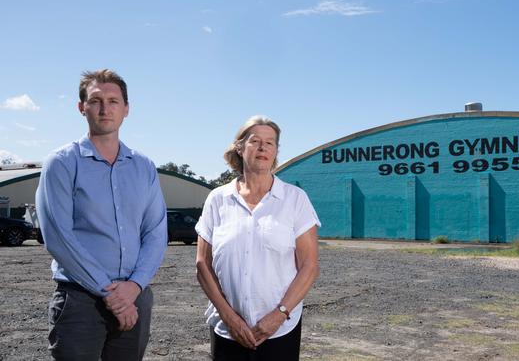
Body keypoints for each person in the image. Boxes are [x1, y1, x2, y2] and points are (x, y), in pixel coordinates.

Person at [36, 69, 167, 360]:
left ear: (126, 109)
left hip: (135, 296)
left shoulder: (143, 166)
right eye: (96, 101)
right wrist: (110, 293)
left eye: (113, 101)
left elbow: (156, 231)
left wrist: (133, 287)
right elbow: (59, 237)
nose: (105, 108)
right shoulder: (61, 163)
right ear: (82, 108)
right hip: (80, 299)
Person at [196, 116, 320, 360]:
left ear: (275, 152)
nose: (263, 147)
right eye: (255, 141)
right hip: (227, 331)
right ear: (240, 148)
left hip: (279, 331)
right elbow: (203, 265)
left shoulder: (295, 199)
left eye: (270, 143)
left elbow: (309, 266)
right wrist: (229, 318)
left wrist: (278, 315)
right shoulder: (218, 199)